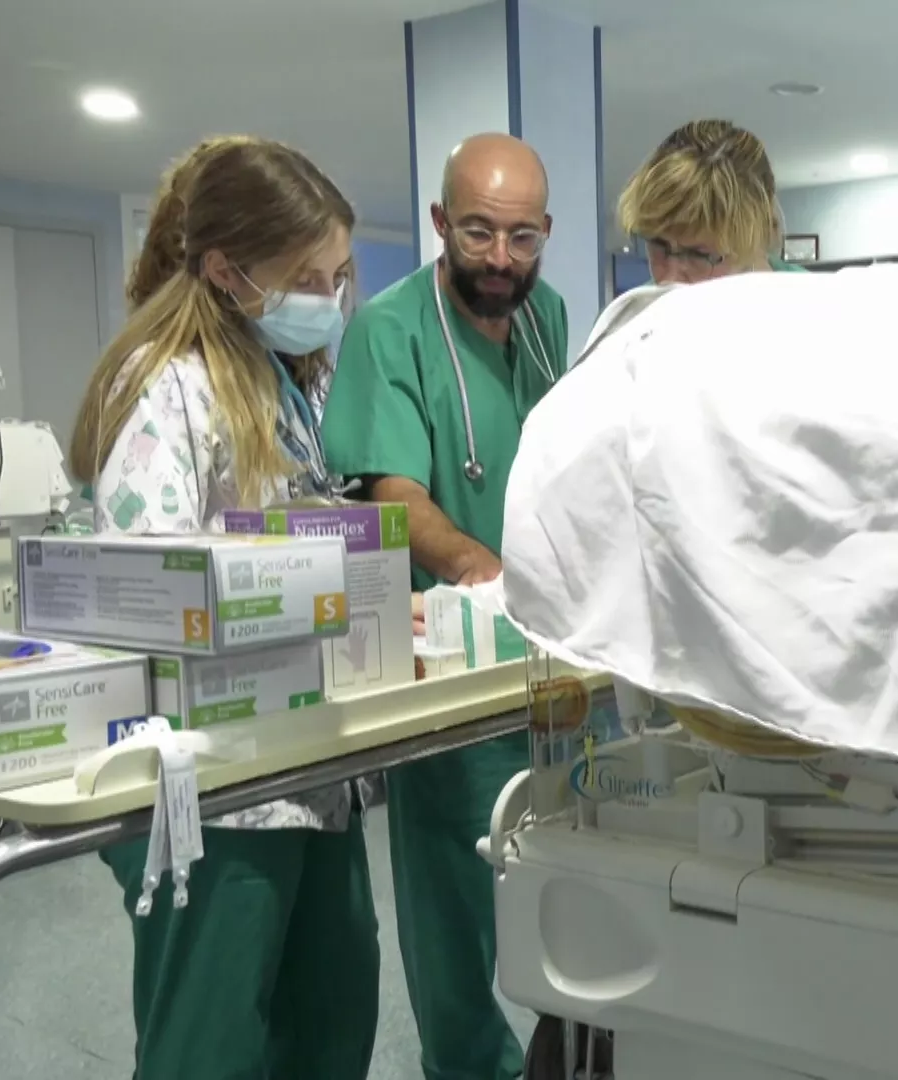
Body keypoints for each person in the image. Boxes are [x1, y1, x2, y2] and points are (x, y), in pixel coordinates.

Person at [67, 136, 378, 1080]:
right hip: (212, 792)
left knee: (330, 1026)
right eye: (305, 277)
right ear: (225, 272)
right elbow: (140, 598)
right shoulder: (165, 387)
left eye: (338, 274)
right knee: (211, 1050)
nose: (327, 297)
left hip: (309, 769)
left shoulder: (290, 382)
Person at [319, 131, 570, 1080]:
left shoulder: (549, 315)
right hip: (453, 665)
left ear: (545, 232)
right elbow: (392, 491)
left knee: (575, 889)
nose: (501, 261)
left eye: (521, 238)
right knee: (454, 912)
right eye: (476, 234)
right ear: (438, 224)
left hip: (555, 662)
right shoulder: (392, 330)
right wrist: (488, 574)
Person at [617, 118, 809, 283]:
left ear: (757, 239)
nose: (670, 278)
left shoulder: (820, 308)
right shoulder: (632, 318)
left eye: (698, 255)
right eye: (659, 246)